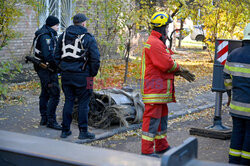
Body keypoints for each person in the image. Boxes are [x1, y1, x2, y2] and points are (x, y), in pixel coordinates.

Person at [140, 12, 195, 157]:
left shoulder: (157, 42)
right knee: (151, 120)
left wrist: (177, 70)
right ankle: (146, 151)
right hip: (155, 88)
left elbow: (165, 62)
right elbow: (166, 64)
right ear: (162, 27)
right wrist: (180, 69)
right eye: (167, 27)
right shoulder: (154, 42)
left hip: (159, 88)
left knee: (161, 118)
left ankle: (161, 146)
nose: (168, 30)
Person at [55, 13, 100, 139]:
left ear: (74, 23)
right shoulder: (88, 37)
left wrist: (62, 68)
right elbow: (95, 59)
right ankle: (83, 132)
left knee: (68, 100)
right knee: (84, 103)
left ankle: (65, 130)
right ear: (84, 23)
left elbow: (56, 55)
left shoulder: (63, 36)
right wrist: (92, 73)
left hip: (66, 75)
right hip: (85, 75)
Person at [223, 23, 250, 165]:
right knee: (249, 137)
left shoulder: (233, 55)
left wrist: (229, 95)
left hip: (236, 107)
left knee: (237, 134)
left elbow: (226, 79)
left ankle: (233, 162)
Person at [33, 15, 62, 130]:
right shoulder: (46, 36)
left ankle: (44, 118)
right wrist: (57, 67)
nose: (58, 27)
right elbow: (48, 56)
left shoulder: (45, 33)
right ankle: (51, 120)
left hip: (43, 69)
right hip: (47, 69)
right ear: (51, 25)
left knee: (45, 93)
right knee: (54, 94)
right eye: (56, 25)